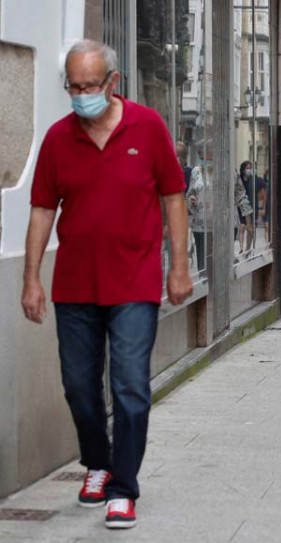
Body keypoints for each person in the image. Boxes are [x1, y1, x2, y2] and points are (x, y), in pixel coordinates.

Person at [21, 40, 193, 530]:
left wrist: (178, 267)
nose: (80, 96)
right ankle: (98, 461)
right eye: (73, 87)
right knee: (78, 386)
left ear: (113, 83)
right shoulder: (57, 139)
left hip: (134, 281)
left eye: (89, 86)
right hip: (74, 284)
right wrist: (31, 278)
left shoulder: (148, 127)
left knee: (131, 386)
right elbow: (40, 210)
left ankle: (122, 488)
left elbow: (174, 196)